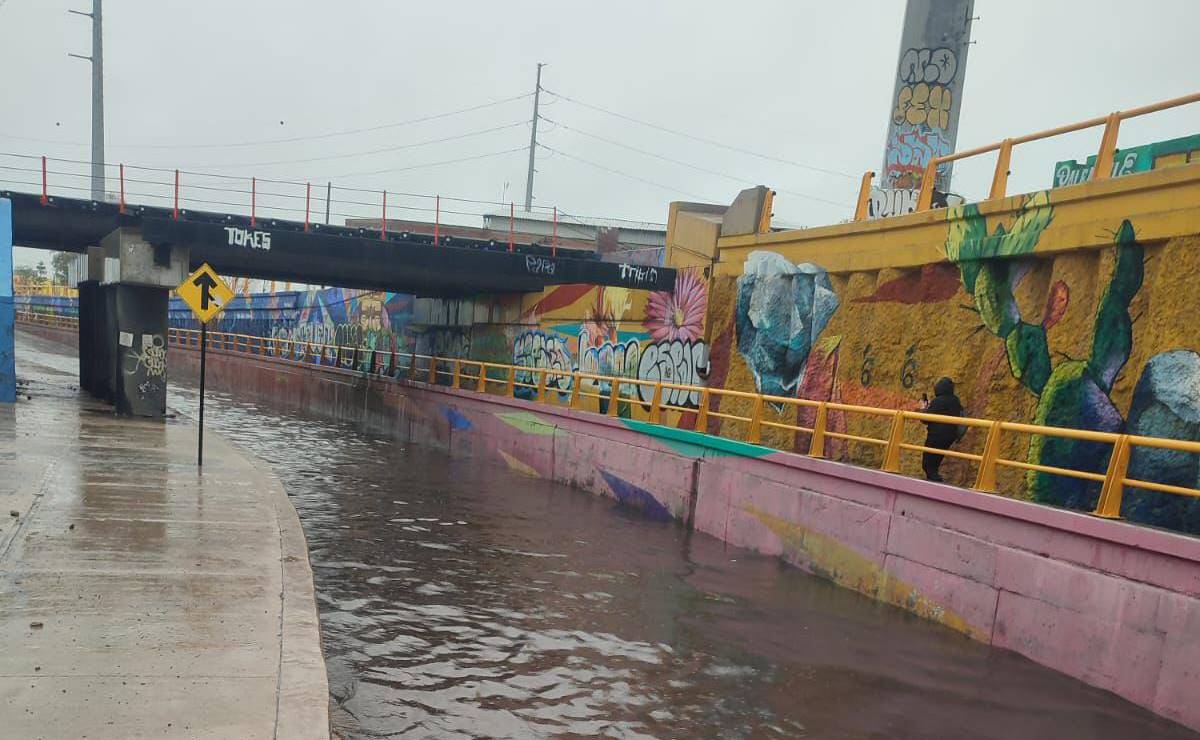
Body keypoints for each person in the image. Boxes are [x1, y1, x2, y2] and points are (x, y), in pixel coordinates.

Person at [919, 377, 964, 482]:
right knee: (936, 460)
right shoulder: (955, 400)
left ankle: (934, 481)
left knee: (927, 463)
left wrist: (923, 408)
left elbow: (925, 419)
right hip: (950, 436)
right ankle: (935, 478)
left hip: (936, 436)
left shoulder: (938, 401)